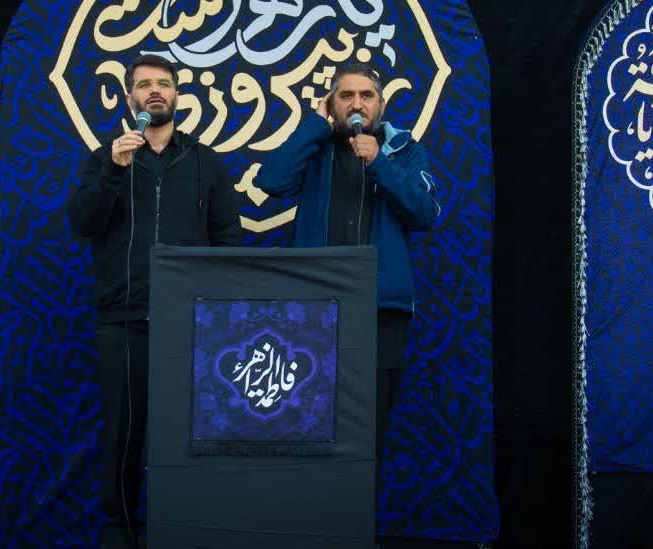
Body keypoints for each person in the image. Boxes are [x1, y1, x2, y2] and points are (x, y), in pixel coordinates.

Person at [255, 60, 442, 535]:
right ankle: (307, 530)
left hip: (381, 314)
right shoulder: (316, 148)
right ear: (331, 104)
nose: (356, 104)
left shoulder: (404, 151)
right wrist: (314, 127)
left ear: (381, 105)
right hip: (313, 314)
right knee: (307, 424)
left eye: (366, 96)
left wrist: (379, 162)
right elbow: (270, 181)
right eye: (345, 96)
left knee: (368, 430)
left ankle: (355, 531)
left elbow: (425, 213)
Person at [68, 54, 243, 549]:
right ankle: (120, 531)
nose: (155, 91)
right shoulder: (106, 158)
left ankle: (187, 531)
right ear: (130, 99)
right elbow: (83, 224)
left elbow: (227, 238)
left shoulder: (206, 161)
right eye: (144, 85)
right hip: (124, 320)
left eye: (163, 83)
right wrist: (114, 171)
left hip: (193, 322)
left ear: (178, 95)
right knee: (123, 434)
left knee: (192, 432)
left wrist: (219, 310)